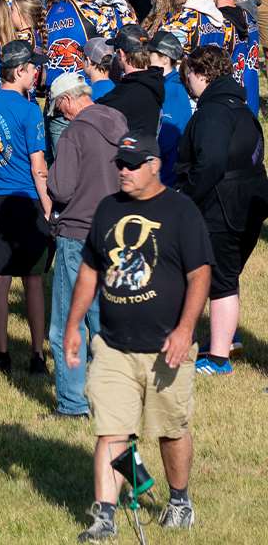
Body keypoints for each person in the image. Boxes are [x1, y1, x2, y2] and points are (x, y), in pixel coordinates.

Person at [66, 135, 210, 541]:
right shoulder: (108, 209)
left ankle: (179, 499)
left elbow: (200, 275)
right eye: (120, 164)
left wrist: (184, 330)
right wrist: (74, 325)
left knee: (171, 429)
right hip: (113, 345)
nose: (123, 171)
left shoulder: (181, 212)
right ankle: (105, 517)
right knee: (110, 430)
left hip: (167, 348)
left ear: (153, 165)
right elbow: (91, 270)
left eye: (131, 164)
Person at [172, 45, 268, 376]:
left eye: (189, 77)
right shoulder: (242, 108)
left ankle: (218, 358)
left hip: (224, 206)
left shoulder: (212, 112)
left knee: (220, 280)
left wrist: (186, 194)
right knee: (226, 275)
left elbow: (210, 163)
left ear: (200, 74)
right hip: (249, 202)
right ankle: (229, 338)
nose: (188, 84)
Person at [46, 72, 129, 419]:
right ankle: (107, 396)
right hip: (115, 230)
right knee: (102, 319)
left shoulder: (74, 133)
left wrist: (48, 177)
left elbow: (61, 189)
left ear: (67, 102)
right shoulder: (118, 120)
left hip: (78, 233)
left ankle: (72, 402)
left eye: (59, 109)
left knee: (68, 321)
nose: (60, 115)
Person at [0, 40, 54, 374]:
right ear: (20, 71)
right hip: (25, 201)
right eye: (33, 67)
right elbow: (38, 165)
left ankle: (1, 353)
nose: (37, 72)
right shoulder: (29, 110)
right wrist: (48, 205)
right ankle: (37, 354)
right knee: (33, 279)